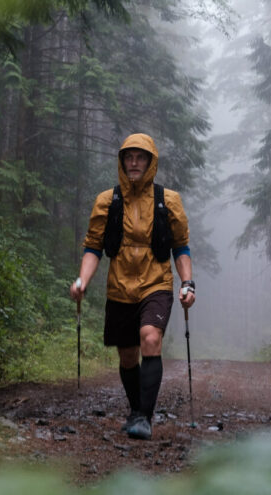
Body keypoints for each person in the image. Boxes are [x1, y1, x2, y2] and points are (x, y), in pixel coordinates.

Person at [69, 133, 195, 440]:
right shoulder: (106, 201)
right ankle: (137, 410)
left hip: (157, 283)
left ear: (151, 162)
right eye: (129, 157)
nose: (134, 162)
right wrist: (83, 280)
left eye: (140, 157)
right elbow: (93, 247)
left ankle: (143, 417)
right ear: (122, 161)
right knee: (127, 355)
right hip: (120, 287)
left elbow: (181, 247)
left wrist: (187, 284)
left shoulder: (169, 201)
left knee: (149, 337)